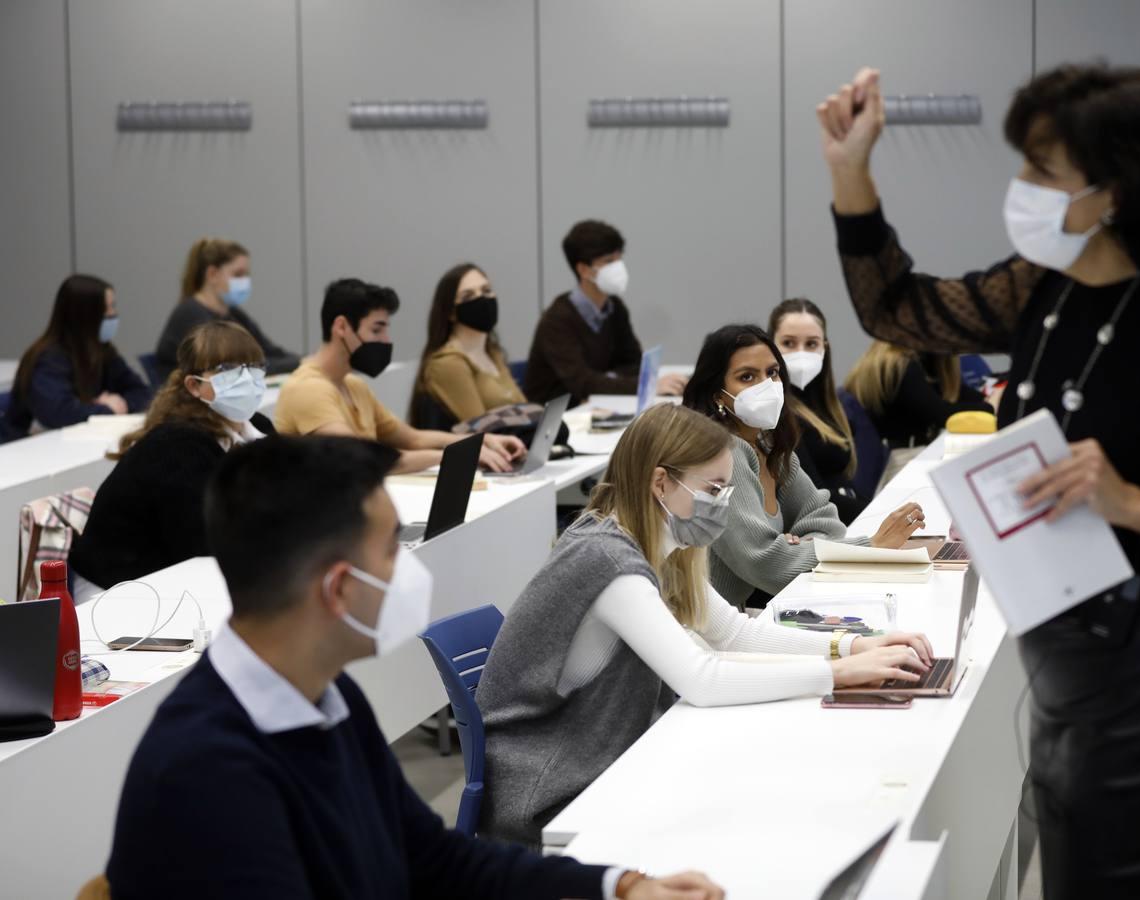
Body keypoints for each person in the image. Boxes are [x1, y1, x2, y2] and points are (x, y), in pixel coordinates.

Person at [817, 63, 1140, 899]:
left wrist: (1134, 503)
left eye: (1041, 171)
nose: (1019, 188)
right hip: (1063, 647)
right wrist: (850, 173)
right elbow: (897, 311)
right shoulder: (1041, 289)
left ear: (1115, 193)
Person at [104, 434, 723, 900]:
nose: (410, 569)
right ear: (339, 590)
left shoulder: (326, 696)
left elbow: (433, 857)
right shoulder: (204, 771)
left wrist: (621, 885)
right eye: (390, 550)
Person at [477, 403, 933, 846]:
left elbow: (734, 633)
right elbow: (702, 679)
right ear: (661, 482)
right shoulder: (607, 558)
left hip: (600, 755)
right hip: (550, 786)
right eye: (714, 489)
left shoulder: (661, 543)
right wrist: (839, 675)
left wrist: (854, 646)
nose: (724, 504)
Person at [681, 325, 926, 609]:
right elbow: (766, 564)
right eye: (747, 377)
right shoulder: (723, 454)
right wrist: (871, 548)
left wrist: (798, 549)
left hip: (728, 621)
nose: (765, 385)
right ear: (717, 395)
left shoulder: (769, 445)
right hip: (695, 629)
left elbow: (825, 521)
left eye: (772, 373)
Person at [68, 321, 273, 602]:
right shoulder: (177, 445)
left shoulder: (259, 429)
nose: (247, 377)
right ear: (194, 385)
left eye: (254, 366)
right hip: (114, 589)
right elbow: (203, 545)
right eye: (228, 370)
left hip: (178, 576)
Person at [275, 278, 525, 474]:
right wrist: (460, 454)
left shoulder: (353, 385)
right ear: (341, 327)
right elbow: (362, 458)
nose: (386, 341)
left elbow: (413, 438)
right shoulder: (308, 389)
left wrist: (479, 441)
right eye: (376, 330)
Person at [523, 219, 686, 406]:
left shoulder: (614, 307)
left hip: (599, 405)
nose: (618, 267)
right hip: (558, 416)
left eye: (619, 258)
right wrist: (645, 385)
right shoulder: (556, 320)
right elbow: (583, 383)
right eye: (608, 261)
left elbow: (633, 363)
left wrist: (607, 379)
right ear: (584, 270)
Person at [3, 274, 150, 440]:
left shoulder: (102, 351)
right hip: (25, 448)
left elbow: (141, 392)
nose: (113, 314)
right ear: (87, 314)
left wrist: (116, 405)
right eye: (108, 308)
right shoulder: (48, 359)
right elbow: (59, 413)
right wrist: (106, 410)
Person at [767, 298, 865, 524]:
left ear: (824, 347)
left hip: (846, 519)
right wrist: (877, 512)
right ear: (771, 346)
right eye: (789, 343)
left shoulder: (829, 404)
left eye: (811, 344)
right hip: (823, 528)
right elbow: (813, 497)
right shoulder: (777, 412)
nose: (801, 353)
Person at [154, 238, 300, 383]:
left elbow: (270, 351)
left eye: (246, 274)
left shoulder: (233, 314)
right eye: (238, 274)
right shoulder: (190, 315)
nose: (245, 281)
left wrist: (304, 362)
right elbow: (236, 369)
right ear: (212, 274)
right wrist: (300, 364)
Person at [408, 262, 528, 429]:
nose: (482, 299)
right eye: (468, 296)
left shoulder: (492, 351)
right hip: (489, 451)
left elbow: (524, 410)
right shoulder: (448, 363)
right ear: (451, 312)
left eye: (486, 291)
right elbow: (483, 430)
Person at [844, 340, 991, 448]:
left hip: (916, 450)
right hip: (902, 458)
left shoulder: (929, 357)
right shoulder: (898, 364)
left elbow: (960, 394)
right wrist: (991, 406)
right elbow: (941, 415)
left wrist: (991, 401)